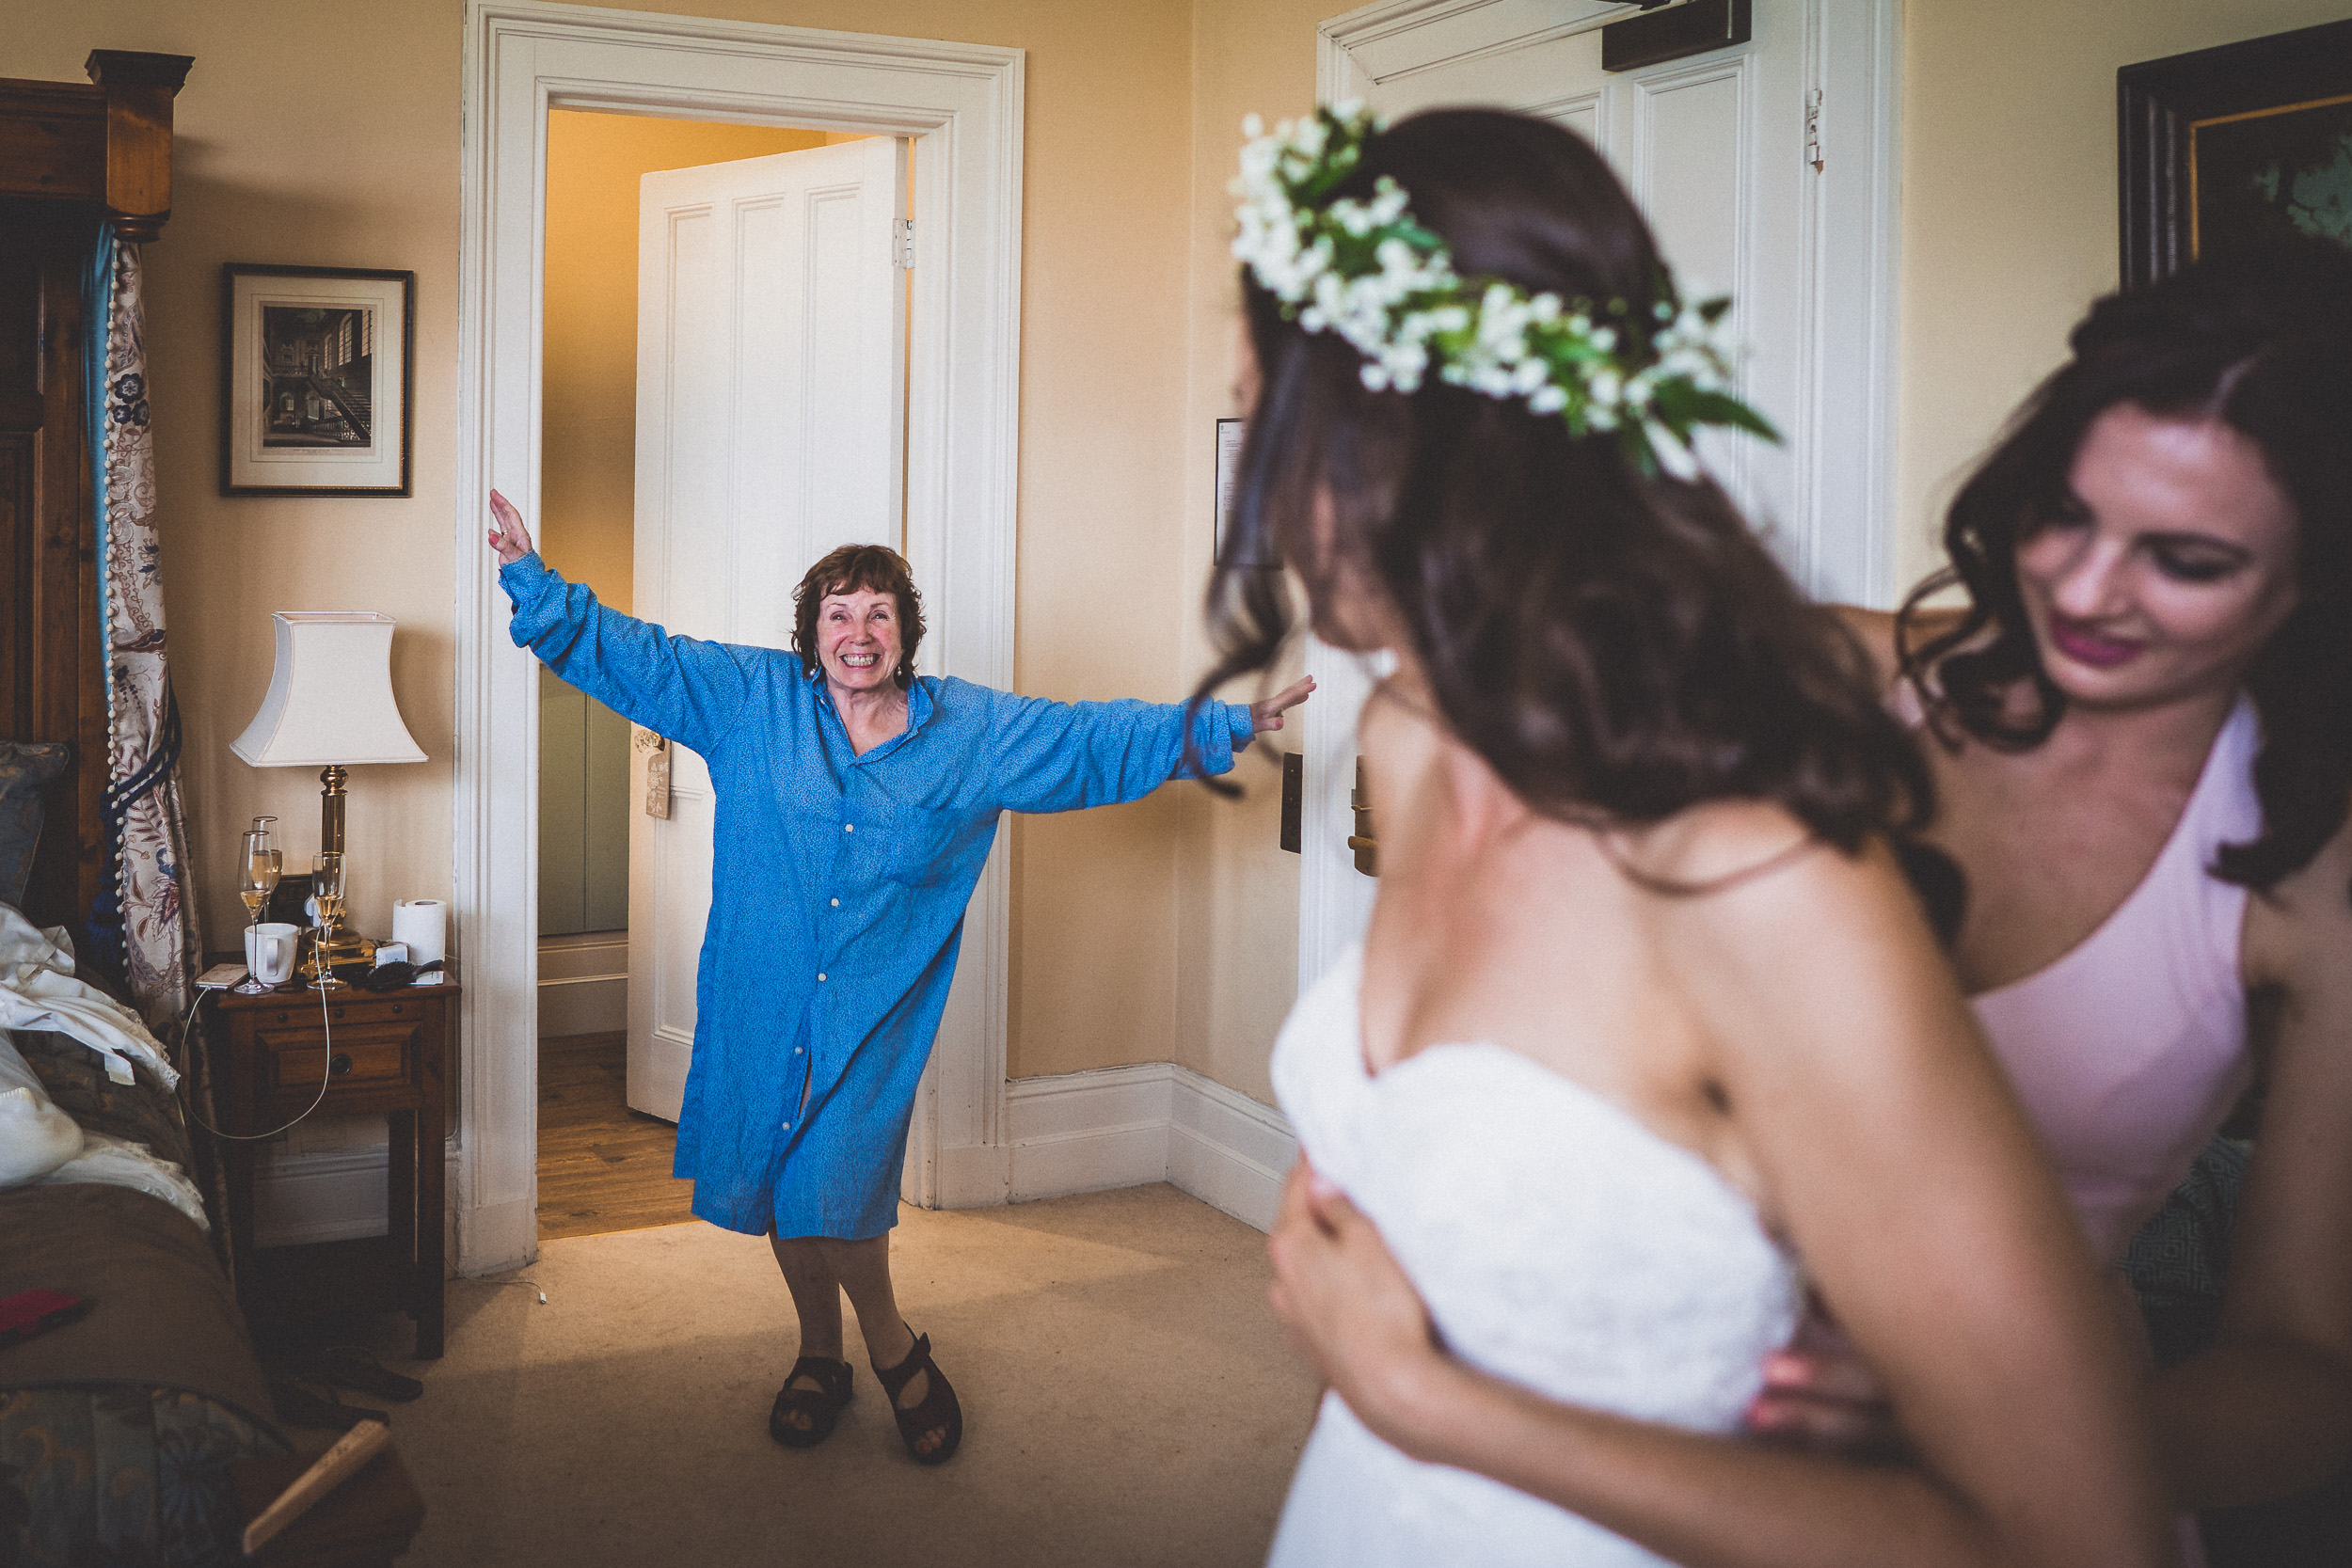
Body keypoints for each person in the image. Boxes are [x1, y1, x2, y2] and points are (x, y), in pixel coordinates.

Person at [1214, 104, 2173, 1567]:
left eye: (1270, 426)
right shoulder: (1412, 738)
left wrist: (1425, 1393)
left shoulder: (1759, 879)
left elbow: (2072, 1535)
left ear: (1406, 432)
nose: (1260, 496)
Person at [1742, 237, 2352, 1560]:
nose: (2082, 590)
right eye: (2065, 512)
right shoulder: (1839, 682)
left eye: (2185, 559)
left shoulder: (2315, 876)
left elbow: (2310, 1367)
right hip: (1660, 1415)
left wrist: (2012, 1429)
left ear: (2315, 582)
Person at [485, 494, 1311, 1464]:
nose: (858, 631)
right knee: (785, 1190)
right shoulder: (751, 699)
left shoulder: (966, 730)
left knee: (838, 1188)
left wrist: (1223, 722)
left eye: (878, 611)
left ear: (905, 630)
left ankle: (892, 1347)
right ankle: (816, 1354)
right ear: (811, 630)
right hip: (762, 991)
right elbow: (642, 656)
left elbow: (1085, 738)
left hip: (875, 1008)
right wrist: (533, 582)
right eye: (838, 611)